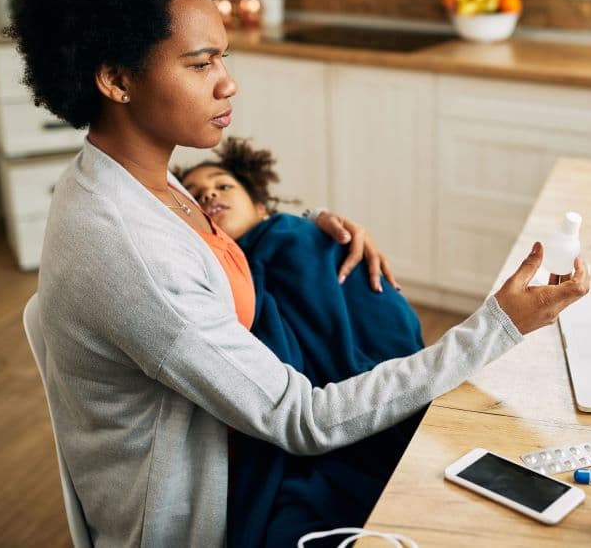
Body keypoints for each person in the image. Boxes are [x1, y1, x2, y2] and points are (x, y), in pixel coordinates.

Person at [7, 0, 589, 547]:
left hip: (240, 440)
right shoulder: (126, 248)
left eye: (223, 57)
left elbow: (211, 245)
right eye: (201, 64)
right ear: (116, 79)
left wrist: (313, 223)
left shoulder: (133, 174)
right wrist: (498, 325)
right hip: (220, 506)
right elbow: (301, 418)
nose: (228, 83)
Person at [176, 139, 427, 545]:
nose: (209, 194)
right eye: (194, 194)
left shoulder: (301, 236)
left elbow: (386, 325)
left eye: (223, 185)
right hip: (300, 420)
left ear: (260, 207)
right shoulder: (207, 273)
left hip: (373, 394)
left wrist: (313, 218)